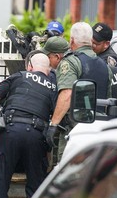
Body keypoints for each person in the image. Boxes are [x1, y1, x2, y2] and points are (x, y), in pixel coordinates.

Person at [0, 53, 57, 198]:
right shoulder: (53, 87)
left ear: (30, 66)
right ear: (48, 70)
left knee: (0, 183)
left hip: (9, 130)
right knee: (36, 186)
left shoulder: (18, 76)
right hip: (36, 136)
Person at [46, 22, 112, 163]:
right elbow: (109, 100)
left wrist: (53, 125)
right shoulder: (106, 67)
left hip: (75, 132)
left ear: (71, 40)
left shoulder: (70, 62)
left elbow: (67, 94)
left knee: (67, 173)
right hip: (98, 132)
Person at [92, 22, 117, 99]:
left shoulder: (110, 60)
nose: (91, 45)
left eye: (95, 43)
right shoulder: (94, 53)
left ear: (106, 44)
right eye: (90, 41)